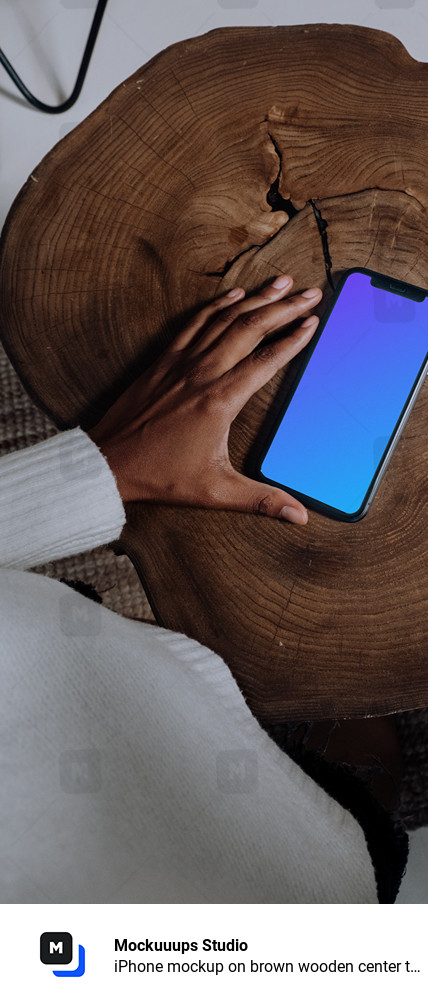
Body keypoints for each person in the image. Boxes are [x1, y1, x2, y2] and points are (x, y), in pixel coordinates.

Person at [0, 275, 379, 903]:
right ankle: (348, 794)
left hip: (88, 669)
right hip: (312, 890)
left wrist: (99, 469)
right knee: (346, 822)